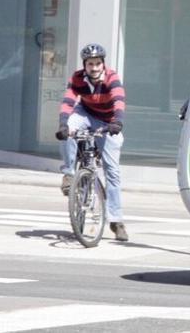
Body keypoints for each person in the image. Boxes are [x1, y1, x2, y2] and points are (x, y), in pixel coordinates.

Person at [55, 43, 128, 242]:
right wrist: (63, 125)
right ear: (84, 66)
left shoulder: (112, 78)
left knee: (112, 172)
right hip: (85, 114)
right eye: (90, 64)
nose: (94, 68)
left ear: (102, 64)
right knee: (69, 130)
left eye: (97, 64)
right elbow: (68, 101)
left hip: (108, 121)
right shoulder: (77, 78)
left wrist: (117, 122)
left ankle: (116, 221)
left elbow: (119, 101)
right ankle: (69, 174)